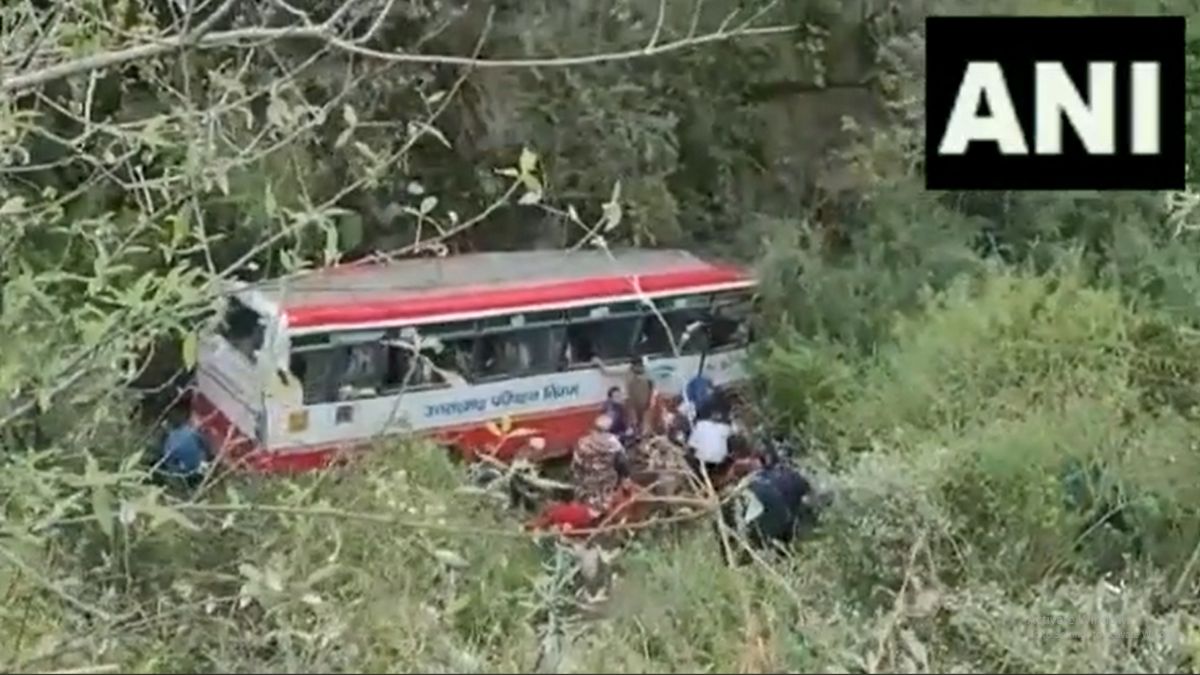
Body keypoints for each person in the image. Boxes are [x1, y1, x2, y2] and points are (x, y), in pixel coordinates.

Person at [571, 415, 624, 513]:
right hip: (606, 482)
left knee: (583, 505)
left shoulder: (582, 442)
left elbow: (576, 464)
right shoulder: (615, 444)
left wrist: (578, 478)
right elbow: (621, 464)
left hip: (585, 482)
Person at [594, 356, 654, 435]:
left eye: (641, 366)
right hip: (632, 402)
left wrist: (650, 400)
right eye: (637, 366)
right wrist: (599, 363)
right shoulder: (626, 370)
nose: (639, 368)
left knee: (645, 425)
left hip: (645, 401)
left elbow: (652, 387)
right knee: (633, 423)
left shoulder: (648, 371)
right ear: (633, 366)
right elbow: (607, 371)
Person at [157, 405, 208, 489]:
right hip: (199, 462)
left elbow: (169, 462)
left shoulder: (169, 445)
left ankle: (190, 485)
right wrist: (205, 457)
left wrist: (177, 469)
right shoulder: (188, 431)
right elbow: (204, 443)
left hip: (188, 468)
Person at [686, 405, 735, 479]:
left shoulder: (701, 425)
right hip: (718, 463)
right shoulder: (726, 428)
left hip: (704, 462)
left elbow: (691, 446)